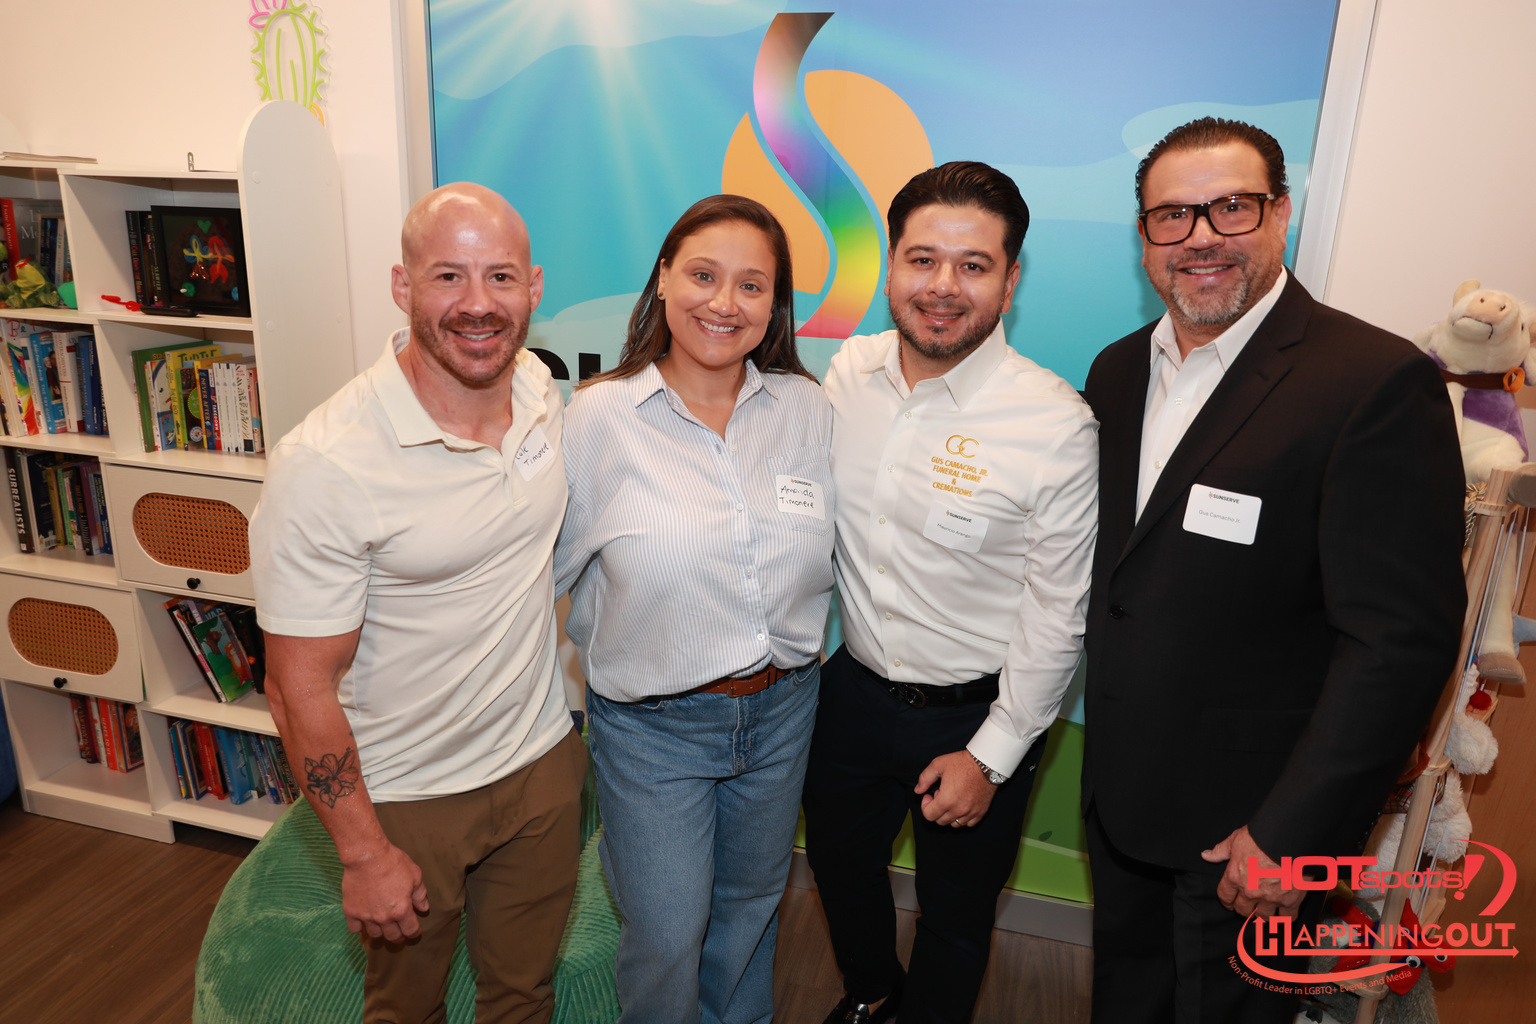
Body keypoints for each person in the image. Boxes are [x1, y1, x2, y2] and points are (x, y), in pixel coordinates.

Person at [1080, 117, 1466, 1023]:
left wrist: (1293, 835)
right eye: (1173, 216)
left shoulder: (1372, 380)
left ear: (1281, 213)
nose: (1201, 236)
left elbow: (1397, 643)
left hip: (1251, 836)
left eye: (1232, 207)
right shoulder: (1118, 372)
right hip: (1125, 805)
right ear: (1144, 236)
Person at [249, 182, 586, 1024]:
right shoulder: (327, 464)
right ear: (403, 287)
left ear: (534, 288)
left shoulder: (537, 389)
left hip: (540, 762)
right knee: (407, 1008)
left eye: (500, 277)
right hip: (410, 793)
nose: (478, 304)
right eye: (448, 277)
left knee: (524, 995)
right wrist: (364, 853)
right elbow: (296, 687)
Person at [803, 162, 1099, 1024]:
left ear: (1010, 280)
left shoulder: (1054, 424)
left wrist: (992, 755)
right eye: (922, 259)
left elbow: (1058, 613)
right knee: (839, 868)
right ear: (891, 265)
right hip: (853, 693)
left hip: (977, 714)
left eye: (973, 265)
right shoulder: (847, 373)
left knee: (957, 915)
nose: (942, 286)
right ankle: (870, 997)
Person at [554, 194, 834, 1024]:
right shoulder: (598, 418)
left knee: (748, 912)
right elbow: (538, 581)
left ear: (775, 304)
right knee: (668, 932)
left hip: (783, 711)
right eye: (704, 275)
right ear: (664, 278)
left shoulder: (806, 410)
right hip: (654, 728)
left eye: (752, 285)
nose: (725, 302)